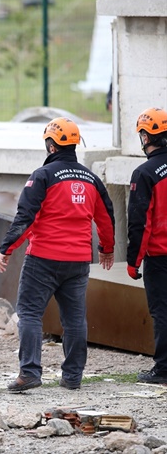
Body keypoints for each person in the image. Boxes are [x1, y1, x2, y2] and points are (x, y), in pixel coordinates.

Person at [0, 117, 115, 392]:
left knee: (29, 314)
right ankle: (73, 377)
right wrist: (106, 249)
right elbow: (106, 218)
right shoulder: (92, 179)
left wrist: (6, 248)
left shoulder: (43, 176)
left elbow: (26, 218)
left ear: (51, 146)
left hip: (43, 259)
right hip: (78, 261)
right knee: (74, 319)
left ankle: (29, 373)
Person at [126, 107, 167, 384]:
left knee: (163, 311)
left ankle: (163, 369)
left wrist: (132, 261)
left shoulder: (145, 173)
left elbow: (140, 223)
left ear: (145, 136)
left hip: (160, 256)